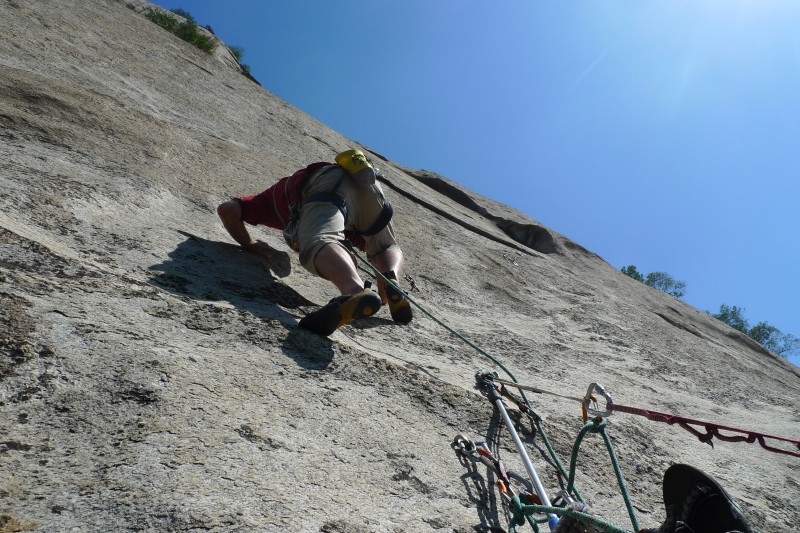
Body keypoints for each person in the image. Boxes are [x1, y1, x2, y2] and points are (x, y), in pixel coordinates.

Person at [217, 149, 412, 336]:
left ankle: (353, 291)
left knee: (320, 240)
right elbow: (377, 254)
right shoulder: (350, 229)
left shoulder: (276, 205)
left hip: (326, 183)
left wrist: (249, 243)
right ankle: (392, 280)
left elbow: (228, 209)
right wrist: (386, 291)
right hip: (369, 184)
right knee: (386, 247)